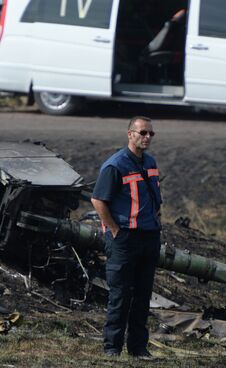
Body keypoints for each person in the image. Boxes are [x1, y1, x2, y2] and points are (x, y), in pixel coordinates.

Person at [91, 116, 162, 359]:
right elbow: (98, 200)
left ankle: (138, 348)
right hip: (124, 239)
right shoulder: (115, 165)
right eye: (143, 133)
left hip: (149, 237)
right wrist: (114, 230)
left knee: (143, 296)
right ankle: (112, 348)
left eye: (151, 134)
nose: (147, 138)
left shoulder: (150, 163)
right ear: (130, 134)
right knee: (120, 295)